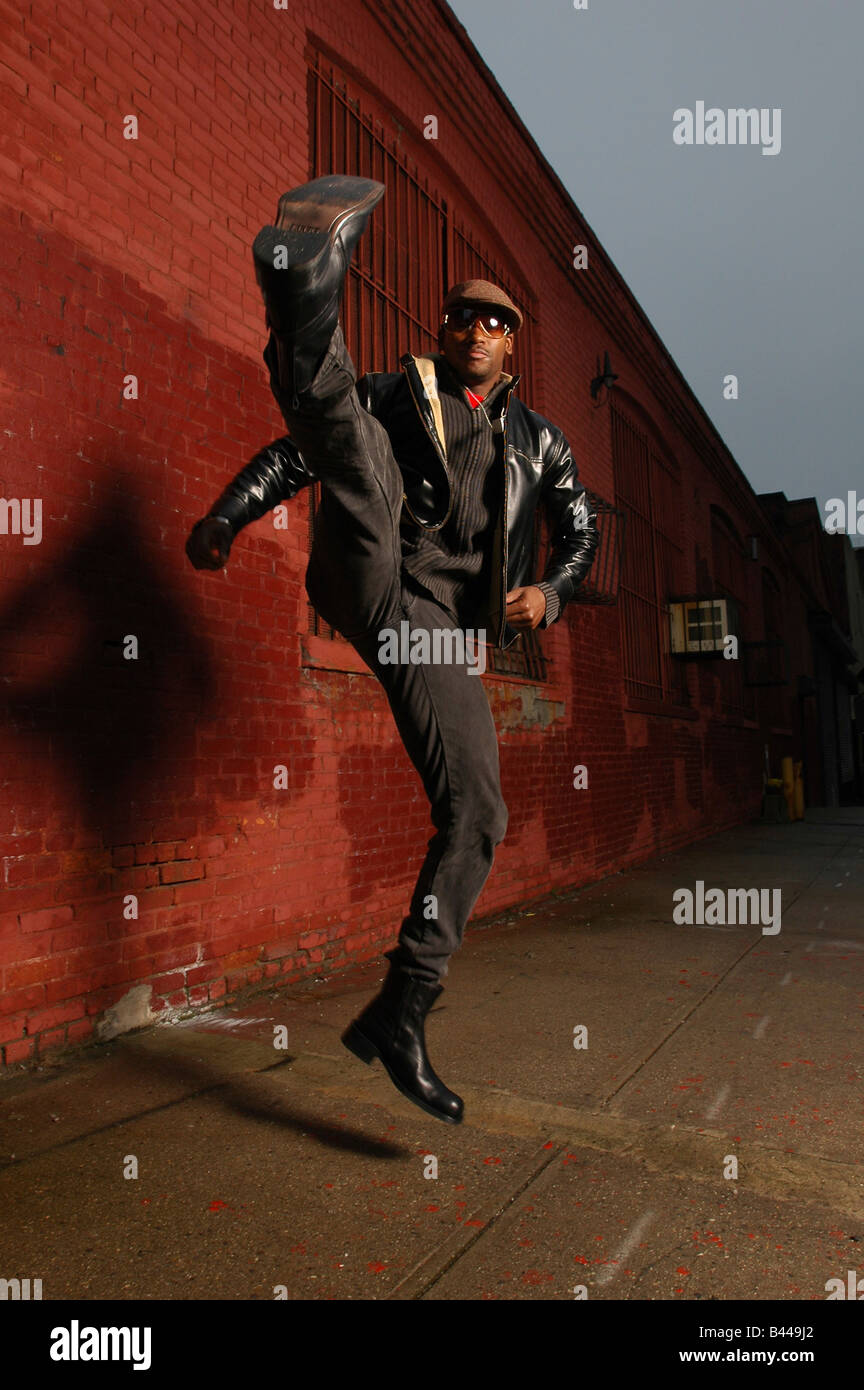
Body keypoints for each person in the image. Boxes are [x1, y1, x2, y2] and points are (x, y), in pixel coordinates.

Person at [186, 175, 599, 1125]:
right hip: (379, 573)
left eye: (489, 321)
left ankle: (402, 1008)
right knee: (362, 469)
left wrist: (553, 589)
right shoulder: (403, 392)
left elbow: (582, 535)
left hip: (444, 632)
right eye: (457, 316)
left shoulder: (545, 444)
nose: (469, 329)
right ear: (446, 328)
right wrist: (227, 516)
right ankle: (304, 284)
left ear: (510, 343)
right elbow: (305, 449)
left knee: (479, 811)